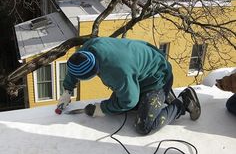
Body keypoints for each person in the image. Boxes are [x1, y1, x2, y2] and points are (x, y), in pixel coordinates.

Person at [56, 37, 201, 135]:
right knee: (121, 106)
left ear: (94, 72)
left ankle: (182, 102)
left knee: (144, 126)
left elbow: (128, 101)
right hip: (139, 74)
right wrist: (67, 90)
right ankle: (164, 96)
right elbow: (75, 69)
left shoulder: (116, 70)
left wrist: (102, 108)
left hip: (158, 78)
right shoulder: (86, 51)